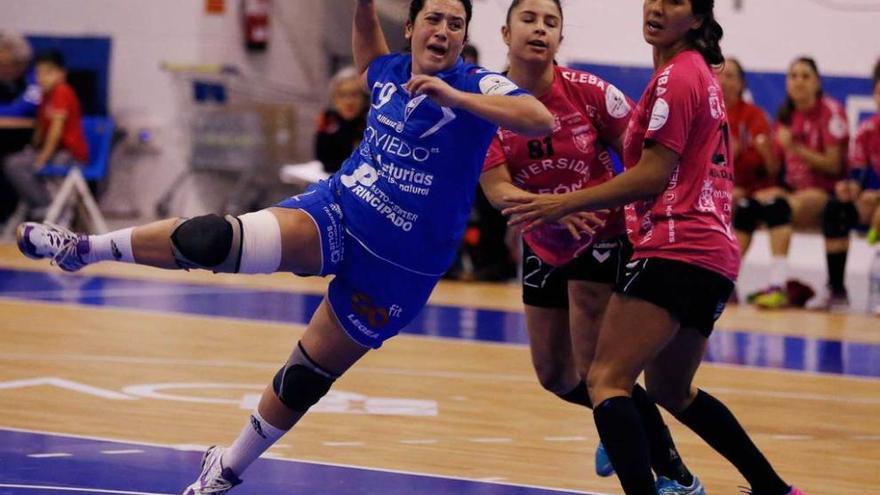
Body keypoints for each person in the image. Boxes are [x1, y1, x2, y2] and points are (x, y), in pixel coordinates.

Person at [15, 1, 553, 494]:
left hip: (400, 267)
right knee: (212, 239)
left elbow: (539, 118)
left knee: (305, 377)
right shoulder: (389, 71)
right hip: (340, 212)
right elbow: (369, 57)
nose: (444, 31)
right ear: (410, 28)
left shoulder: (481, 85)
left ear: (465, 38)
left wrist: (456, 96)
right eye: (433, 18)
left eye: (455, 23)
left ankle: (226, 469)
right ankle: (84, 248)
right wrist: (364, 7)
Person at [502, 1, 803, 494]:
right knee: (668, 389)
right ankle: (775, 488)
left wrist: (561, 205)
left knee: (605, 379)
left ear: (699, 19)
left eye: (675, 2)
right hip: (712, 252)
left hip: (675, 244)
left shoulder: (676, 79)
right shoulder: (693, 75)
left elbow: (652, 176)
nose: (658, 8)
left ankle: (658, 480)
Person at [479, 1, 700, 492]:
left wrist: (612, 210)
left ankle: (673, 473)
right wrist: (550, 208)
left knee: (598, 370)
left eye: (551, 22)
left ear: (559, 37)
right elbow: (496, 189)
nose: (540, 29)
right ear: (505, 31)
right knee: (555, 376)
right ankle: (618, 418)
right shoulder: (488, 104)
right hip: (541, 237)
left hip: (601, 234)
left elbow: (646, 157)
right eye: (529, 19)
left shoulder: (590, 92)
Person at [748, 57, 849, 310]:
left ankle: (778, 285)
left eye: (805, 76)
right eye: (793, 76)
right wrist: (768, 155)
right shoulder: (785, 117)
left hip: (826, 192)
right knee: (747, 206)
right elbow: (776, 170)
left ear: (817, 82)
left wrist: (795, 147)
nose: (798, 81)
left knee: (777, 206)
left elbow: (834, 166)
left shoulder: (830, 112)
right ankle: (721, 286)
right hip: (794, 193)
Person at [3, 50, 88, 221]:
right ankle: (44, 204)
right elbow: (41, 130)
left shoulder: (62, 91)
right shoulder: (45, 96)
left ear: (62, 74)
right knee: (14, 164)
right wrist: (33, 148)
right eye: (39, 73)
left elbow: (56, 131)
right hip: (51, 152)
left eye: (49, 72)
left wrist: (43, 156)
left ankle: (60, 209)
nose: (43, 78)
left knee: (54, 164)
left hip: (69, 154)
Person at [834, 61, 880, 247]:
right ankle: (837, 276)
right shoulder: (866, 131)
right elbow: (858, 174)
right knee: (837, 208)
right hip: (873, 201)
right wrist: (851, 187)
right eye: (879, 93)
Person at [0, 31, 40, 223]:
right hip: (7, 138)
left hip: (29, 140)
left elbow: (23, 108)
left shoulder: (36, 80)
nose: (2, 70)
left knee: (9, 163)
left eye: (5, 65)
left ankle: (39, 208)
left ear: (21, 63)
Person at [314, 66, 368, 174]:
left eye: (355, 95)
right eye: (342, 95)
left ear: (364, 98)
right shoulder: (328, 118)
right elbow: (324, 161)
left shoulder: (371, 122)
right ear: (334, 98)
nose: (349, 102)